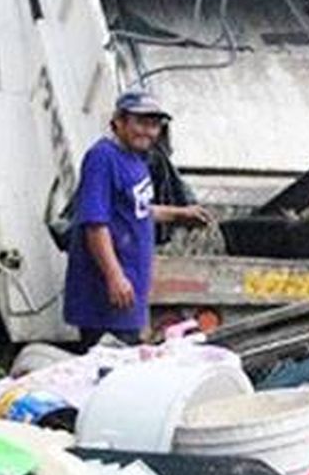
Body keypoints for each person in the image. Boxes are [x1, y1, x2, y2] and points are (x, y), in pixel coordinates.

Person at [62, 91, 212, 350]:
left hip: (131, 291)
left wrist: (179, 214)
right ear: (118, 122)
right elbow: (95, 224)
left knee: (125, 365)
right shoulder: (102, 158)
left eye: (154, 125)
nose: (148, 131)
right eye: (141, 122)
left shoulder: (137, 159)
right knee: (107, 370)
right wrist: (115, 277)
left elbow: (137, 210)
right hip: (106, 296)